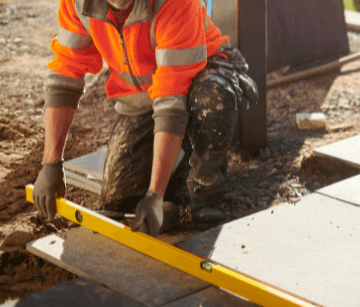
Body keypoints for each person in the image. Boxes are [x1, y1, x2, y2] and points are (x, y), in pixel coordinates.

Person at [32, 0, 257, 235]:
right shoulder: (76, 3)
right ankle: (179, 183)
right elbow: (65, 75)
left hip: (202, 73)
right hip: (146, 92)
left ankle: (205, 194)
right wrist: (51, 164)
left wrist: (154, 194)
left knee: (211, 99)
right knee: (120, 198)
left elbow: (171, 101)